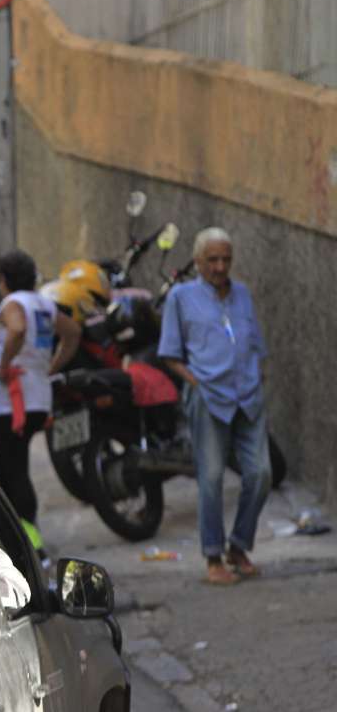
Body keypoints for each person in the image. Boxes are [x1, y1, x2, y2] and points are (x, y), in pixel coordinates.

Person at [158, 227, 271, 586]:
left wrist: (257, 375)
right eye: (213, 260)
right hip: (208, 396)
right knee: (211, 477)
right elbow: (170, 354)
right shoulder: (181, 296)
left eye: (226, 259)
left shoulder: (242, 295)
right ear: (198, 262)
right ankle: (212, 556)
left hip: (248, 396)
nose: (221, 267)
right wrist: (196, 383)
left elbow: (254, 342)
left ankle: (238, 546)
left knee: (261, 473)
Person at [0, 251, 80, 558]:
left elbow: (18, 328)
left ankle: (31, 543)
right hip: (35, 396)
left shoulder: (14, 304)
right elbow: (72, 333)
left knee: (14, 467)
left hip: (12, 402)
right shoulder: (45, 305)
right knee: (4, 469)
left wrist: (5, 364)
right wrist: (51, 367)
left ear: (2, 280)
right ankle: (2, 537)